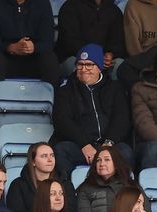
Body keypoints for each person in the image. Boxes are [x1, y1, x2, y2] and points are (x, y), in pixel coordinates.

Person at [51, 46, 132, 177]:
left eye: (89, 65)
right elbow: (62, 120)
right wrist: (84, 144)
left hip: (109, 144)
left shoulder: (114, 88)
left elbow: (121, 119)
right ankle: (68, 191)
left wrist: (108, 144)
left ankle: (119, 193)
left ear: (99, 67)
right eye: (80, 64)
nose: (84, 69)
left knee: (126, 152)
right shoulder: (66, 90)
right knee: (61, 150)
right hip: (80, 145)